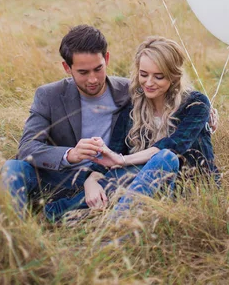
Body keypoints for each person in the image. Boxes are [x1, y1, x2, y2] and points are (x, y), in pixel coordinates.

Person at [44, 36, 219, 221]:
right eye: (144, 74)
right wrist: (91, 181)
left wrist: (122, 160)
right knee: (125, 174)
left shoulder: (196, 103)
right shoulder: (133, 107)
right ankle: (60, 212)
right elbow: (115, 149)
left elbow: (173, 145)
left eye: (158, 76)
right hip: (143, 185)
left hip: (189, 188)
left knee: (165, 158)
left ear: (174, 76)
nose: (149, 83)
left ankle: (113, 223)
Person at [0, 24, 130, 219]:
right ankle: (9, 237)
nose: (93, 79)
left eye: (98, 69)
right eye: (83, 72)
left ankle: (55, 214)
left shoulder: (129, 91)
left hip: (106, 178)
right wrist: (70, 154)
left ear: (106, 59)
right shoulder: (48, 95)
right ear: (67, 67)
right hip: (60, 178)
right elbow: (27, 147)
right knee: (12, 168)